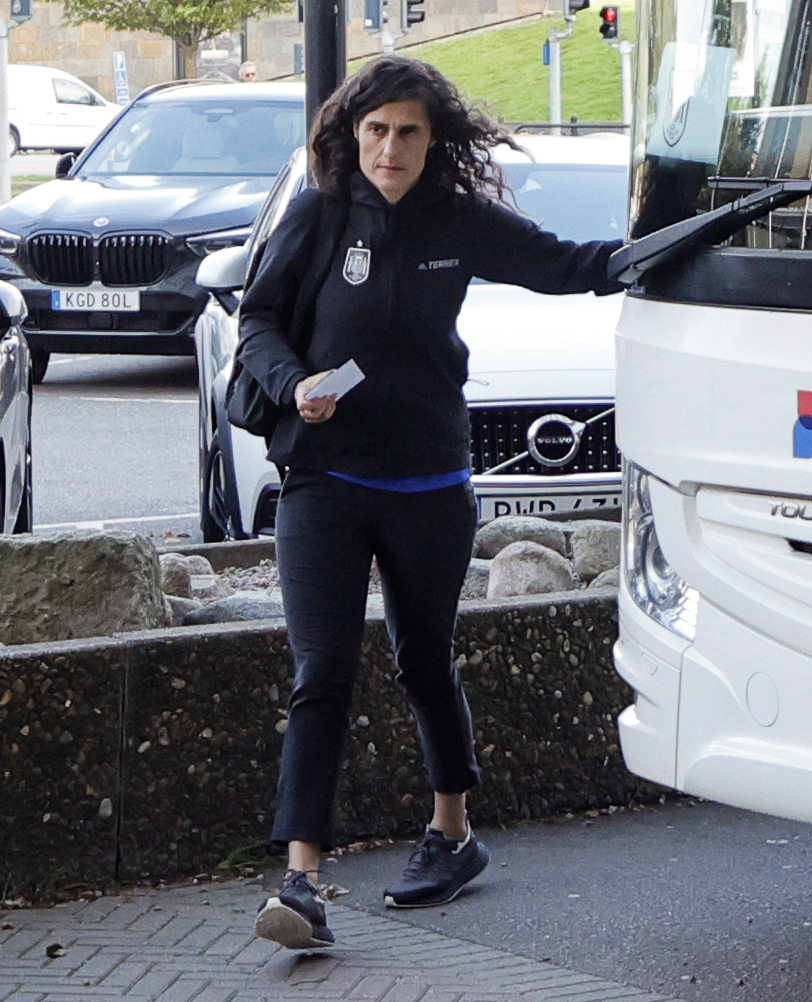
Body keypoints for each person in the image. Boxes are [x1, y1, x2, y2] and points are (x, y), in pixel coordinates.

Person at [236, 55, 624, 951]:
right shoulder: (321, 213)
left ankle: (450, 832)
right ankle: (299, 880)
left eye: (408, 131)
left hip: (429, 485)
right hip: (325, 482)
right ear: (351, 134)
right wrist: (294, 384)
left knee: (423, 661)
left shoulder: (458, 221)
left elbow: (568, 264)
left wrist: (663, 256)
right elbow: (256, 319)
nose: (390, 147)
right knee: (320, 674)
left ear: (432, 139)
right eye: (375, 130)